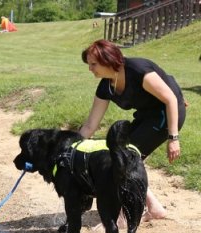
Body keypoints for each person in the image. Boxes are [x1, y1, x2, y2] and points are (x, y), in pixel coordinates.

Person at [79, 39, 186, 219]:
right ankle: (155, 208)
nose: (90, 68)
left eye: (93, 64)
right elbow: (91, 125)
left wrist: (173, 138)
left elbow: (170, 98)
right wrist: (70, 144)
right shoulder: (106, 85)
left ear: (108, 59)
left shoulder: (137, 70)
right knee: (121, 155)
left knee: (125, 160)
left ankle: (128, 213)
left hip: (165, 114)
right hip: (146, 115)